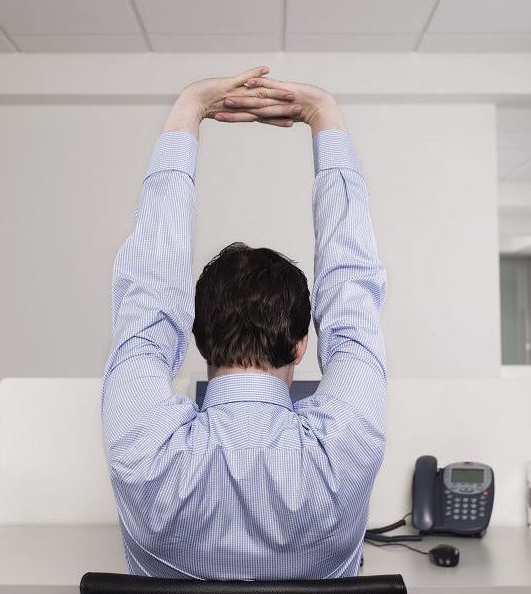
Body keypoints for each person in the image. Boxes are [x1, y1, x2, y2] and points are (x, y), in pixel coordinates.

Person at [101, 66, 387, 580]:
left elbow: (148, 291)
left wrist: (190, 105)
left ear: (197, 337)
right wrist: (324, 115)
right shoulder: (348, 445)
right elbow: (352, 293)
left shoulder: (141, 443)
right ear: (302, 345)